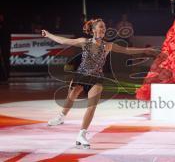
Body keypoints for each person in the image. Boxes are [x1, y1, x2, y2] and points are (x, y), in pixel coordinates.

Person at [42, 18, 157, 149]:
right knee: (72, 96)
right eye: (101, 27)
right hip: (81, 75)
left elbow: (127, 50)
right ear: (94, 30)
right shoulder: (84, 42)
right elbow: (63, 41)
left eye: (104, 27)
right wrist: (48, 34)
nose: (103, 29)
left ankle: (82, 134)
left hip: (96, 78)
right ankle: (61, 116)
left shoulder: (108, 45)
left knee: (91, 107)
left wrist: (145, 50)